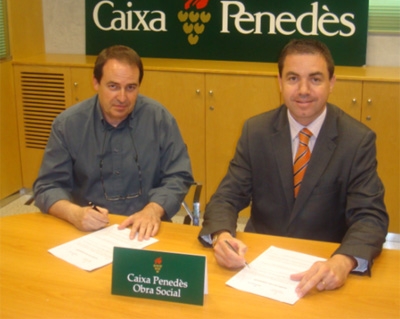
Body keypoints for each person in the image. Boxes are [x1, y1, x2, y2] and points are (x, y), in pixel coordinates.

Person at [198, 39, 388, 298]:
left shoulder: (357, 140)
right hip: (259, 264)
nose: (303, 90)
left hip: (322, 268)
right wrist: (221, 237)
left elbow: (370, 217)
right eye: (293, 78)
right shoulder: (256, 131)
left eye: (315, 79)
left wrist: (344, 261)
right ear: (279, 82)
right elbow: (226, 198)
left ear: (332, 83)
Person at [34, 45, 193, 240]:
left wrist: (153, 210)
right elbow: (48, 186)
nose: (122, 97)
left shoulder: (159, 119)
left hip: (146, 230)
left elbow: (179, 175)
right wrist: (74, 213)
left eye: (131, 88)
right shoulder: (67, 124)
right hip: (87, 231)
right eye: (113, 86)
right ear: (95, 82)